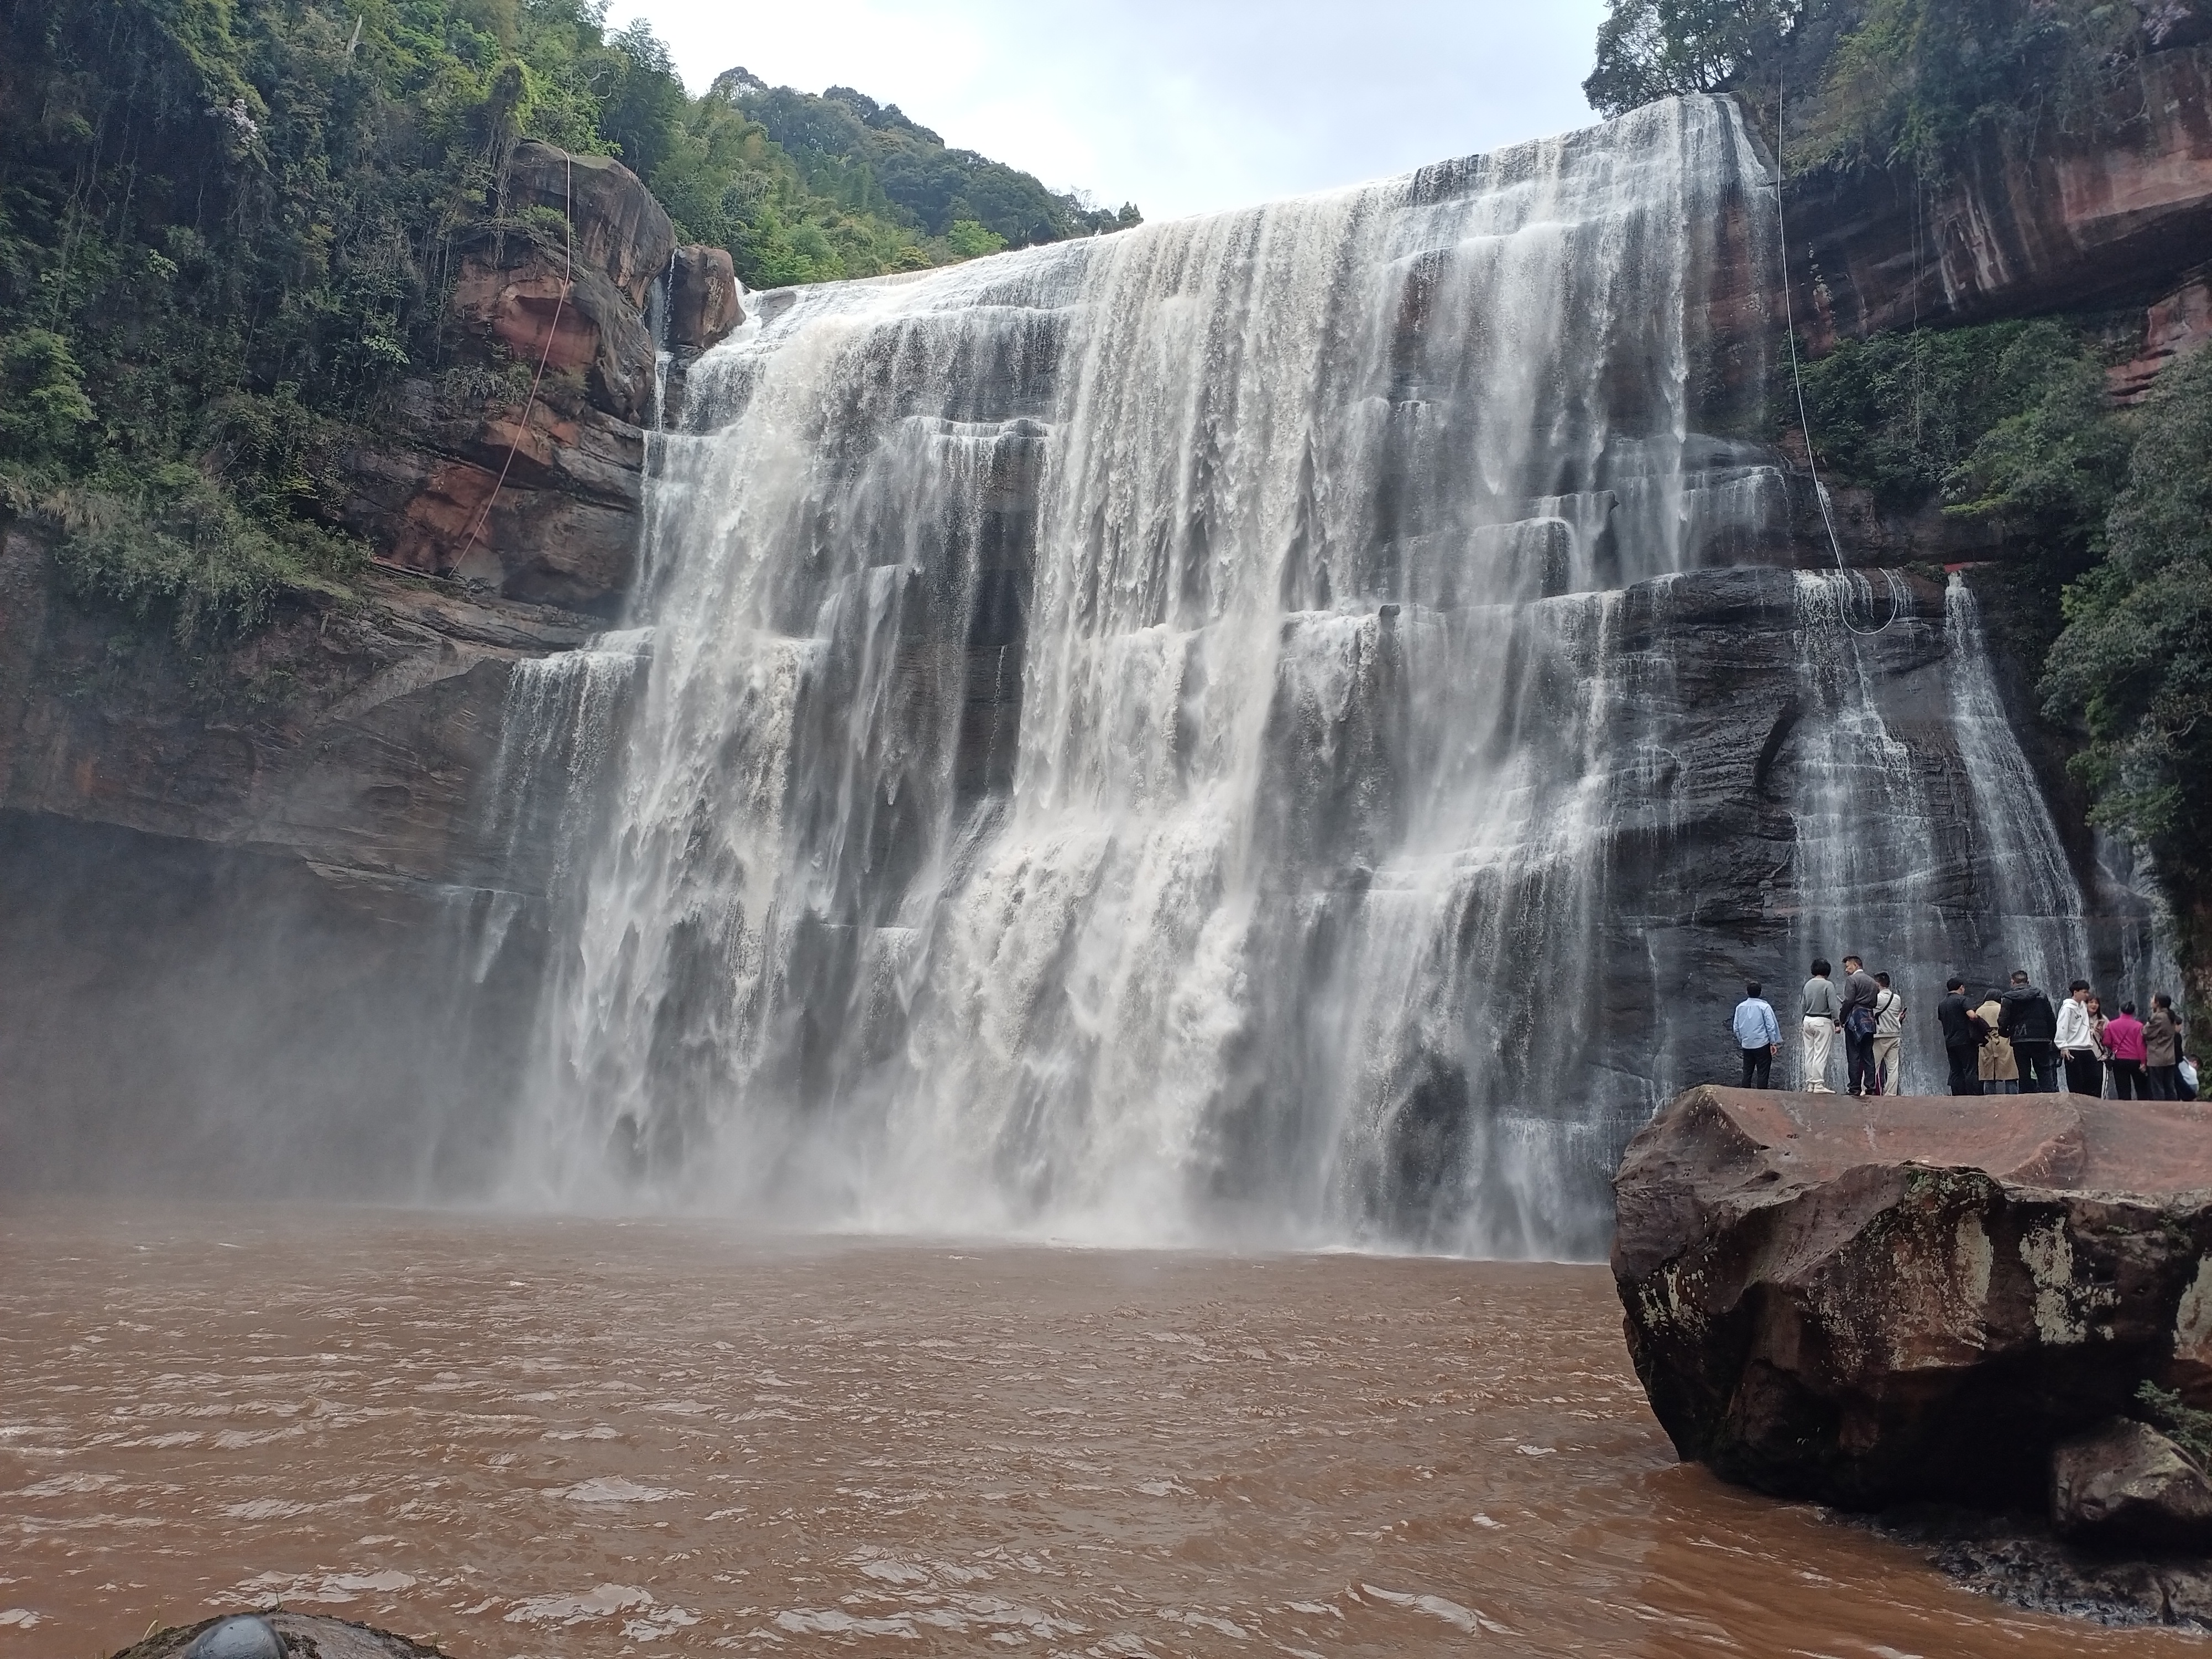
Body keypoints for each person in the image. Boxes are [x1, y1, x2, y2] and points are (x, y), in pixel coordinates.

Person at [1999, 971, 2060, 1093]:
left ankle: (2026, 1102)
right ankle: (2051, 1099)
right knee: (2044, 1070)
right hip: (2040, 1039)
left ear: (2013, 982)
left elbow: (2003, 1020)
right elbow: (2050, 1018)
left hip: (2019, 1039)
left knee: (2024, 1072)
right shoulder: (2041, 995)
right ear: (2028, 981)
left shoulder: (2008, 998)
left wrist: (2005, 1033)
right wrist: (2052, 1038)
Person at [1839, 954, 1882, 1097]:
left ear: (1856, 965)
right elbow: (1875, 1004)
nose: (1846, 970)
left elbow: (1849, 1001)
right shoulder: (1873, 983)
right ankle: (1871, 1088)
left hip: (1855, 1019)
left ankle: (1855, 1088)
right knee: (1868, 1054)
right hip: (1869, 1019)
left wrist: (1842, 1017)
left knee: (1854, 1055)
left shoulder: (1852, 980)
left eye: (1848, 966)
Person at [1937, 978, 1984, 1097]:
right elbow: (1972, 1016)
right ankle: (1973, 1095)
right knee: (1970, 1069)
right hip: (1965, 1040)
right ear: (1961, 987)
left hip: (1950, 1041)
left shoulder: (1942, 1004)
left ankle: (1957, 1096)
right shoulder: (1962, 1000)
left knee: (1956, 1070)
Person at [2056, 980, 2101, 1097]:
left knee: (2095, 1077)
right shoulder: (2067, 1008)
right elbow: (2062, 1027)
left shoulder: (2083, 1007)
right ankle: (2077, 1106)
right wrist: (2063, 1047)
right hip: (2073, 1049)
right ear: (2075, 993)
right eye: (2084, 992)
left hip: (2086, 1048)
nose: (2087, 995)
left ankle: (2090, 1105)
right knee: (2077, 1081)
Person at [1734, 980, 1782, 1088]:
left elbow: (1736, 1028)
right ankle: (1761, 1096)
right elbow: (1770, 1026)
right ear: (1760, 993)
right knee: (1763, 1073)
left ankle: (1744, 1096)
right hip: (1762, 1044)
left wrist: (1743, 1041)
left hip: (1746, 1044)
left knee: (1747, 1072)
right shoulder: (1765, 1007)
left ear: (1747, 992)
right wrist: (1773, 1042)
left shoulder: (1740, 1007)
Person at [1802, 959, 1840, 1093]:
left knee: (1809, 1053)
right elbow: (1833, 1007)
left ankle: (1810, 1084)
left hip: (1807, 1020)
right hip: (1822, 1021)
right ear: (1827, 971)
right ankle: (1818, 1084)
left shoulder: (1807, 985)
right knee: (1820, 1053)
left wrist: (1803, 1021)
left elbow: (1803, 1005)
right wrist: (1837, 1023)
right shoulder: (1828, 985)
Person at [1974, 992, 2018, 1094]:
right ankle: (2013, 1099)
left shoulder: (1979, 1010)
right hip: (2003, 1040)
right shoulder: (2002, 1008)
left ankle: (1989, 1100)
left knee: (1988, 1076)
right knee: (2010, 1074)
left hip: (1986, 1042)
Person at [2105, 1001, 2148, 1098]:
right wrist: (2143, 1062)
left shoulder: (2111, 1025)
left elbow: (2107, 1042)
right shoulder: (2139, 1026)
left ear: (2121, 1011)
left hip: (2119, 1060)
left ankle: (2124, 1111)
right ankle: (2143, 1109)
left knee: (2123, 1089)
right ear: (2133, 1012)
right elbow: (2140, 1045)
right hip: (2136, 1060)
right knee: (2141, 1088)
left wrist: (2115, 1048)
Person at [1872, 972, 1905, 1097]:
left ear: (1877, 984)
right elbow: (1894, 1016)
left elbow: (1872, 1013)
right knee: (1893, 1067)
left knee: (1873, 1065)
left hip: (1881, 1035)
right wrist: (1900, 1019)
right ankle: (1891, 1094)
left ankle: (1866, 1090)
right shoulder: (1897, 998)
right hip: (1895, 1035)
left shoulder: (1877, 999)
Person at [2147, 993, 2185, 1100]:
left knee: (2158, 1086)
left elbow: (2146, 1032)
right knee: (2170, 1085)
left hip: (2158, 1056)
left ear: (2158, 1003)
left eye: (2153, 999)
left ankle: (2161, 1110)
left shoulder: (2159, 1017)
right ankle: (2172, 1108)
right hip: (2169, 1057)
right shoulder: (2170, 1015)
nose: (2151, 1000)